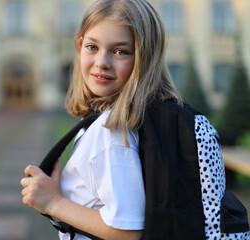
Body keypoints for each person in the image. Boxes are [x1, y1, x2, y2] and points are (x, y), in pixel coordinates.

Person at [21, 0, 250, 239]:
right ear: (79, 46)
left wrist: (52, 202)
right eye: (92, 47)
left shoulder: (112, 130)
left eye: (121, 51)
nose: (102, 62)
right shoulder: (130, 118)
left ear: (145, 57)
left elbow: (127, 231)